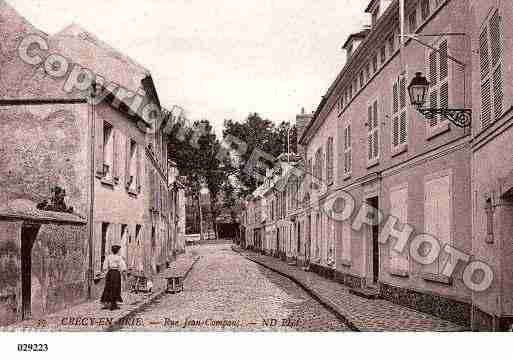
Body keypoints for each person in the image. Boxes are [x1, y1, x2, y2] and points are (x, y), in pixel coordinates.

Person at [101, 245, 127, 310]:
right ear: (117, 251)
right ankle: (113, 304)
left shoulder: (108, 257)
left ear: (112, 250)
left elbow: (105, 266)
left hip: (110, 273)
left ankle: (110, 303)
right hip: (116, 274)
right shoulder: (119, 258)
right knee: (116, 288)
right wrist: (124, 275)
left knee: (109, 287)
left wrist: (105, 272)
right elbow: (123, 267)